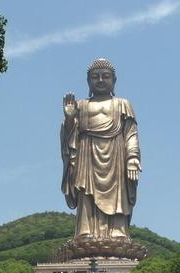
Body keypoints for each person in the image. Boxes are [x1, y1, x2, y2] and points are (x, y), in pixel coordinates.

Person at [60, 58, 141, 239]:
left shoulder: (123, 104)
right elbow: (70, 139)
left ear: (114, 80)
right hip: (87, 154)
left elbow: (131, 134)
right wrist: (69, 119)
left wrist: (132, 158)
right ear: (88, 81)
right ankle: (85, 231)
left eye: (106, 76)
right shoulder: (81, 105)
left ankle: (118, 231)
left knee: (118, 193)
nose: (101, 80)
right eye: (95, 77)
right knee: (85, 192)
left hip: (116, 154)